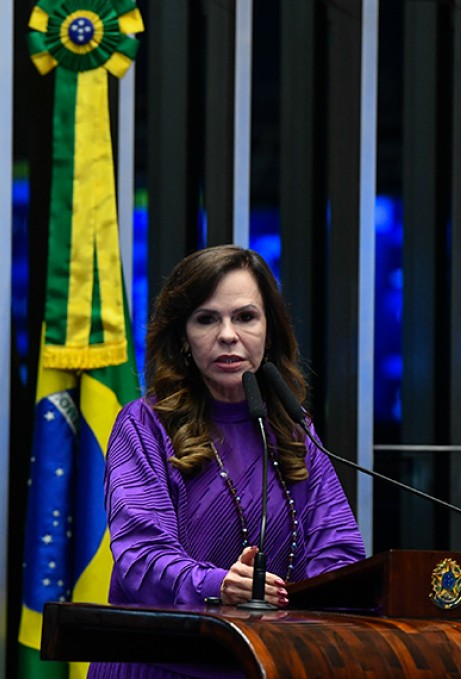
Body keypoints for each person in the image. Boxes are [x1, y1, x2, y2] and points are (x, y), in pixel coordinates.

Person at [88, 245, 366, 679]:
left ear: (269, 331)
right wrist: (217, 585)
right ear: (184, 337)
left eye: (245, 317)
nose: (228, 335)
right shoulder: (144, 425)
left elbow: (339, 554)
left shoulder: (294, 429)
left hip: (265, 662)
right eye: (206, 319)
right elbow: (140, 557)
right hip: (160, 665)